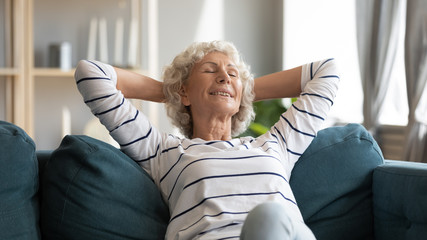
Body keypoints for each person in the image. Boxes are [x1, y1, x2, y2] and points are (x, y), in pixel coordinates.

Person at [74, 40, 339, 240]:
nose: (224, 76)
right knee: (269, 216)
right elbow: (91, 74)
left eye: (232, 73)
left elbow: (327, 71)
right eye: (211, 71)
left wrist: (240, 90)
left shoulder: (275, 145)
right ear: (184, 93)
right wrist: (171, 90)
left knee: (271, 217)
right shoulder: (164, 151)